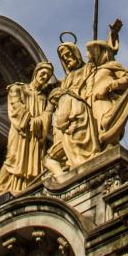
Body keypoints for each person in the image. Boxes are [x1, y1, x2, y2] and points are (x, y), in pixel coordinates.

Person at [0, 62, 54, 195]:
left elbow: (48, 114)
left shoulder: (44, 98)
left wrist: (39, 121)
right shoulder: (18, 88)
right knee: (12, 160)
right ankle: (1, 191)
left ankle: (26, 190)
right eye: (43, 73)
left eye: (48, 76)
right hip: (20, 131)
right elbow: (16, 106)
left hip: (35, 134)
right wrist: (29, 120)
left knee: (33, 164)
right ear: (36, 73)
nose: (44, 77)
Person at [46, 42, 98, 175]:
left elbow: (104, 59)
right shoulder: (66, 80)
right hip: (65, 111)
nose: (67, 59)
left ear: (76, 54)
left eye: (68, 54)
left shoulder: (88, 68)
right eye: (63, 57)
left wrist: (112, 36)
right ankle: (67, 164)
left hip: (80, 108)